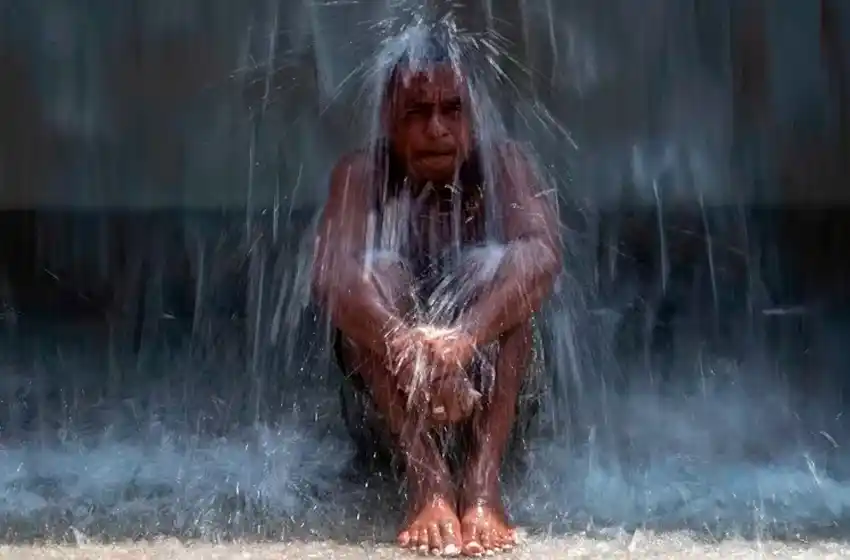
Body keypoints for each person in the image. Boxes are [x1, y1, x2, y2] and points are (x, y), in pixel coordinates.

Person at [311, 33, 561, 557]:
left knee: (509, 271)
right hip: (390, 396)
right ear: (388, 120)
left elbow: (543, 258)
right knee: (374, 279)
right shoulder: (362, 175)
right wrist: (409, 351)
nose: (437, 129)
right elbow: (333, 278)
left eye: (452, 109)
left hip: (486, 381)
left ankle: (482, 487)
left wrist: (463, 341)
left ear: (475, 118)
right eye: (417, 113)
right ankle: (427, 482)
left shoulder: (504, 166)